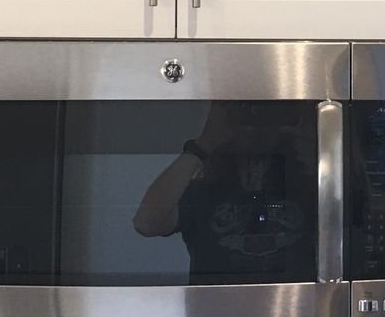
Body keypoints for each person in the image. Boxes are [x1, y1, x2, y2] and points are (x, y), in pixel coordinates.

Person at [131, 103, 314, 282]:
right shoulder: (202, 193)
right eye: (245, 117)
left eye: (269, 118)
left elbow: (341, 231)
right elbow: (146, 223)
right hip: (214, 309)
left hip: (298, 308)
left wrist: (320, 146)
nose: (256, 128)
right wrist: (204, 145)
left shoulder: (312, 188)